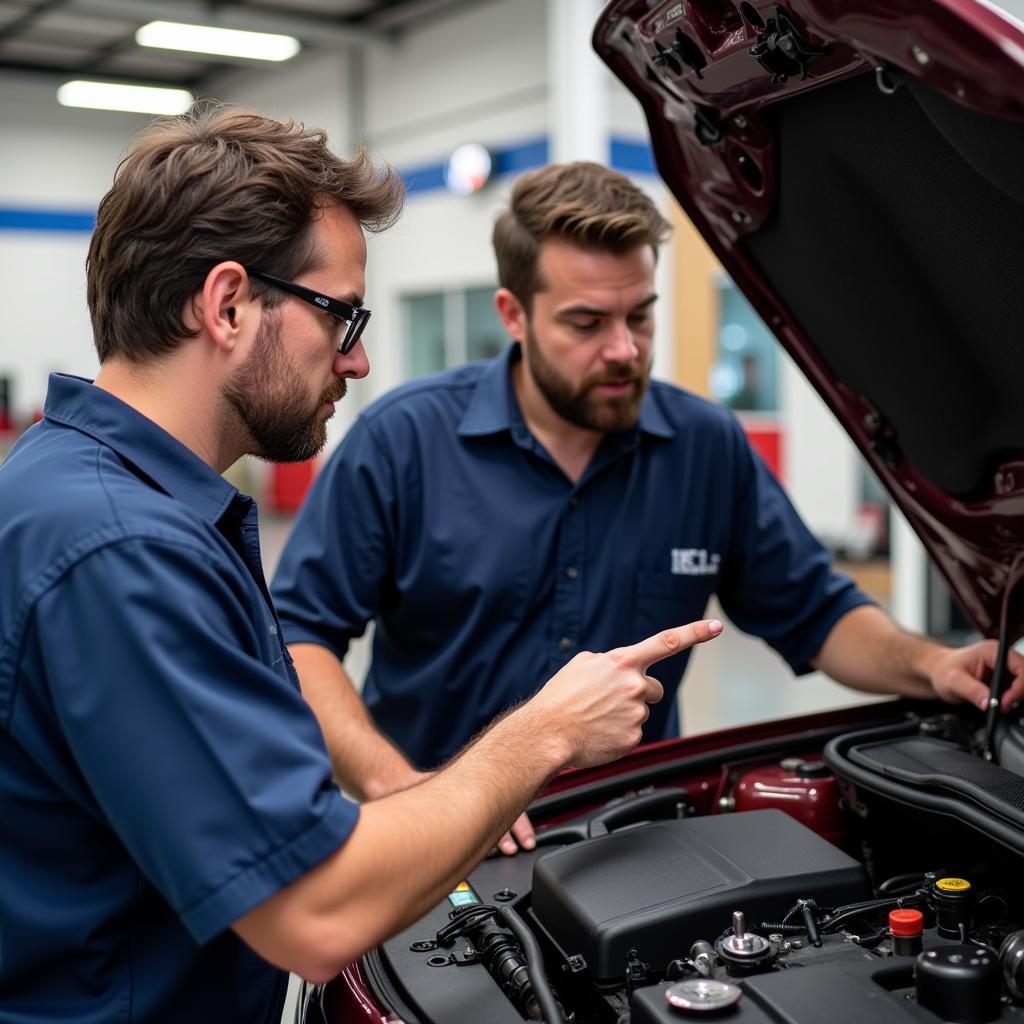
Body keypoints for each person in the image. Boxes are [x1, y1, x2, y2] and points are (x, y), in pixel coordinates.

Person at [0, 114, 723, 1024]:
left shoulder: (91, 491)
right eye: (340, 314)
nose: (359, 357)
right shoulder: (120, 550)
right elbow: (315, 906)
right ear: (226, 305)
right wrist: (546, 731)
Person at [271, 160, 1024, 855]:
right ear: (513, 313)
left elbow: (817, 612)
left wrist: (933, 664)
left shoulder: (705, 446)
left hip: (638, 832)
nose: (625, 350)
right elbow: (300, 634)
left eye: (640, 316)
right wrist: (401, 788)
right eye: (587, 324)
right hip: (445, 835)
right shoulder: (403, 441)